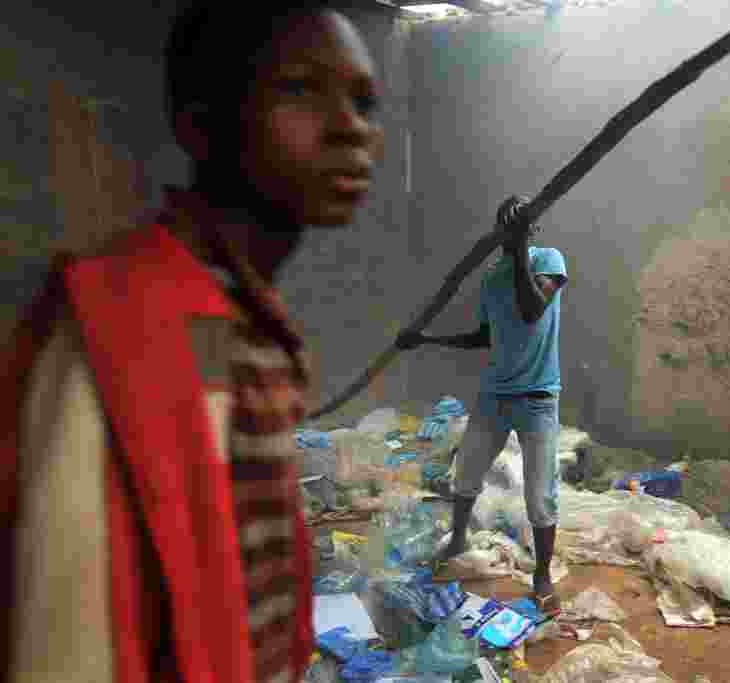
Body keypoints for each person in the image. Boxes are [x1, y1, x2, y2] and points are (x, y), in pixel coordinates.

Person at [0, 3, 383, 682]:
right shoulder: (123, 326)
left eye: (363, 100)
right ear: (199, 124)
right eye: (299, 88)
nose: (350, 127)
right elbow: (67, 641)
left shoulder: (246, 318)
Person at [396, 196, 569, 614]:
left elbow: (531, 311)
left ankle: (542, 576)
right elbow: (487, 335)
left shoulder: (549, 260)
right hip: (494, 396)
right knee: (466, 475)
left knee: (540, 496)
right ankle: (458, 538)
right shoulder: (491, 277)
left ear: (532, 229)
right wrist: (428, 340)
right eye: (506, 224)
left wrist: (517, 252)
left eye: (520, 223)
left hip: (537, 399)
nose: (512, 230)